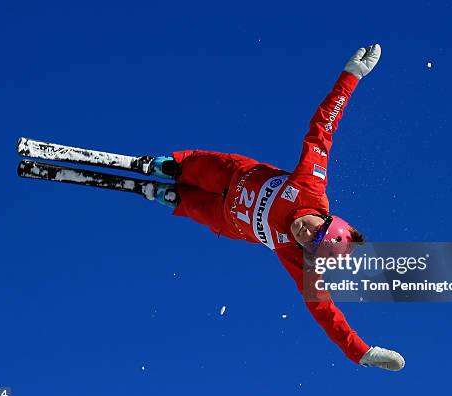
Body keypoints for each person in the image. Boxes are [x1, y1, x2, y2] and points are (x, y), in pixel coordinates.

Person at [142, 44, 405, 371]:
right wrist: (351, 77)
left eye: (310, 242)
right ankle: (173, 166)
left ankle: (173, 197)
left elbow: (324, 311)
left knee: (193, 206)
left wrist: (361, 353)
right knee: (200, 167)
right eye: (315, 230)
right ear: (325, 219)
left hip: (225, 219)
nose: (304, 233)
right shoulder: (311, 183)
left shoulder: (300, 258)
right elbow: (323, 128)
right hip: (232, 174)